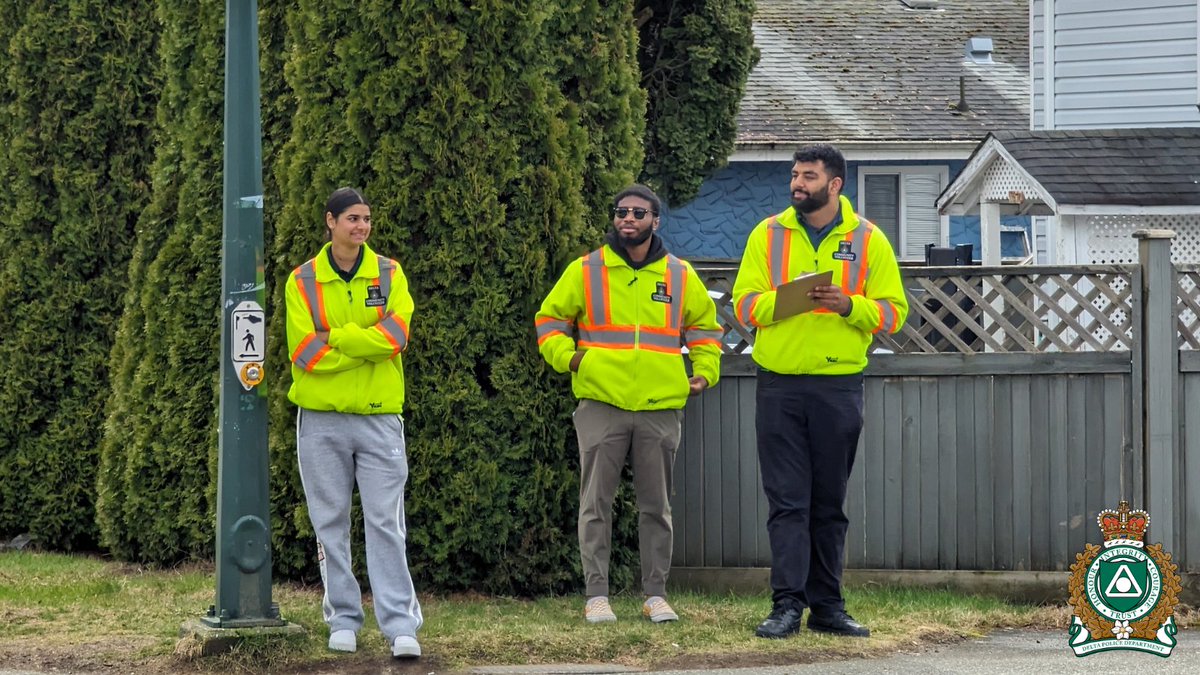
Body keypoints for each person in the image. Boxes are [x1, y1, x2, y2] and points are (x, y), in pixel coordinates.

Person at [732, 145, 908, 639]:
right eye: (795, 174)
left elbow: (895, 314)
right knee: (788, 502)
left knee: (829, 503)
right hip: (779, 385)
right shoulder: (766, 234)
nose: (797, 183)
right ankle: (786, 605)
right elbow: (744, 305)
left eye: (808, 176)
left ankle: (827, 607)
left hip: (838, 386)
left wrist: (849, 305)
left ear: (835, 185)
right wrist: (788, 303)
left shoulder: (869, 239)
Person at [535, 185, 723, 624]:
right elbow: (548, 321)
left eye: (639, 213)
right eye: (621, 211)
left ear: (656, 221)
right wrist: (571, 358)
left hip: (660, 405)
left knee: (656, 507)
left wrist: (704, 372)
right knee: (594, 504)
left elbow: (705, 329)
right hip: (601, 403)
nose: (628, 218)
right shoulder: (586, 270)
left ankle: (655, 594)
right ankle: (596, 595)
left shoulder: (679, 275)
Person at [285, 187, 423, 658]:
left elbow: (398, 336)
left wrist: (338, 339)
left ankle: (400, 625)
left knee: (386, 523)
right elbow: (304, 353)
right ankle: (342, 618)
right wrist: (366, 346)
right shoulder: (301, 281)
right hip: (320, 422)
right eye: (352, 219)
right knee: (330, 524)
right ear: (330, 221)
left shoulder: (390, 273)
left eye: (366, 219)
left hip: (379, 418)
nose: (361, 227)